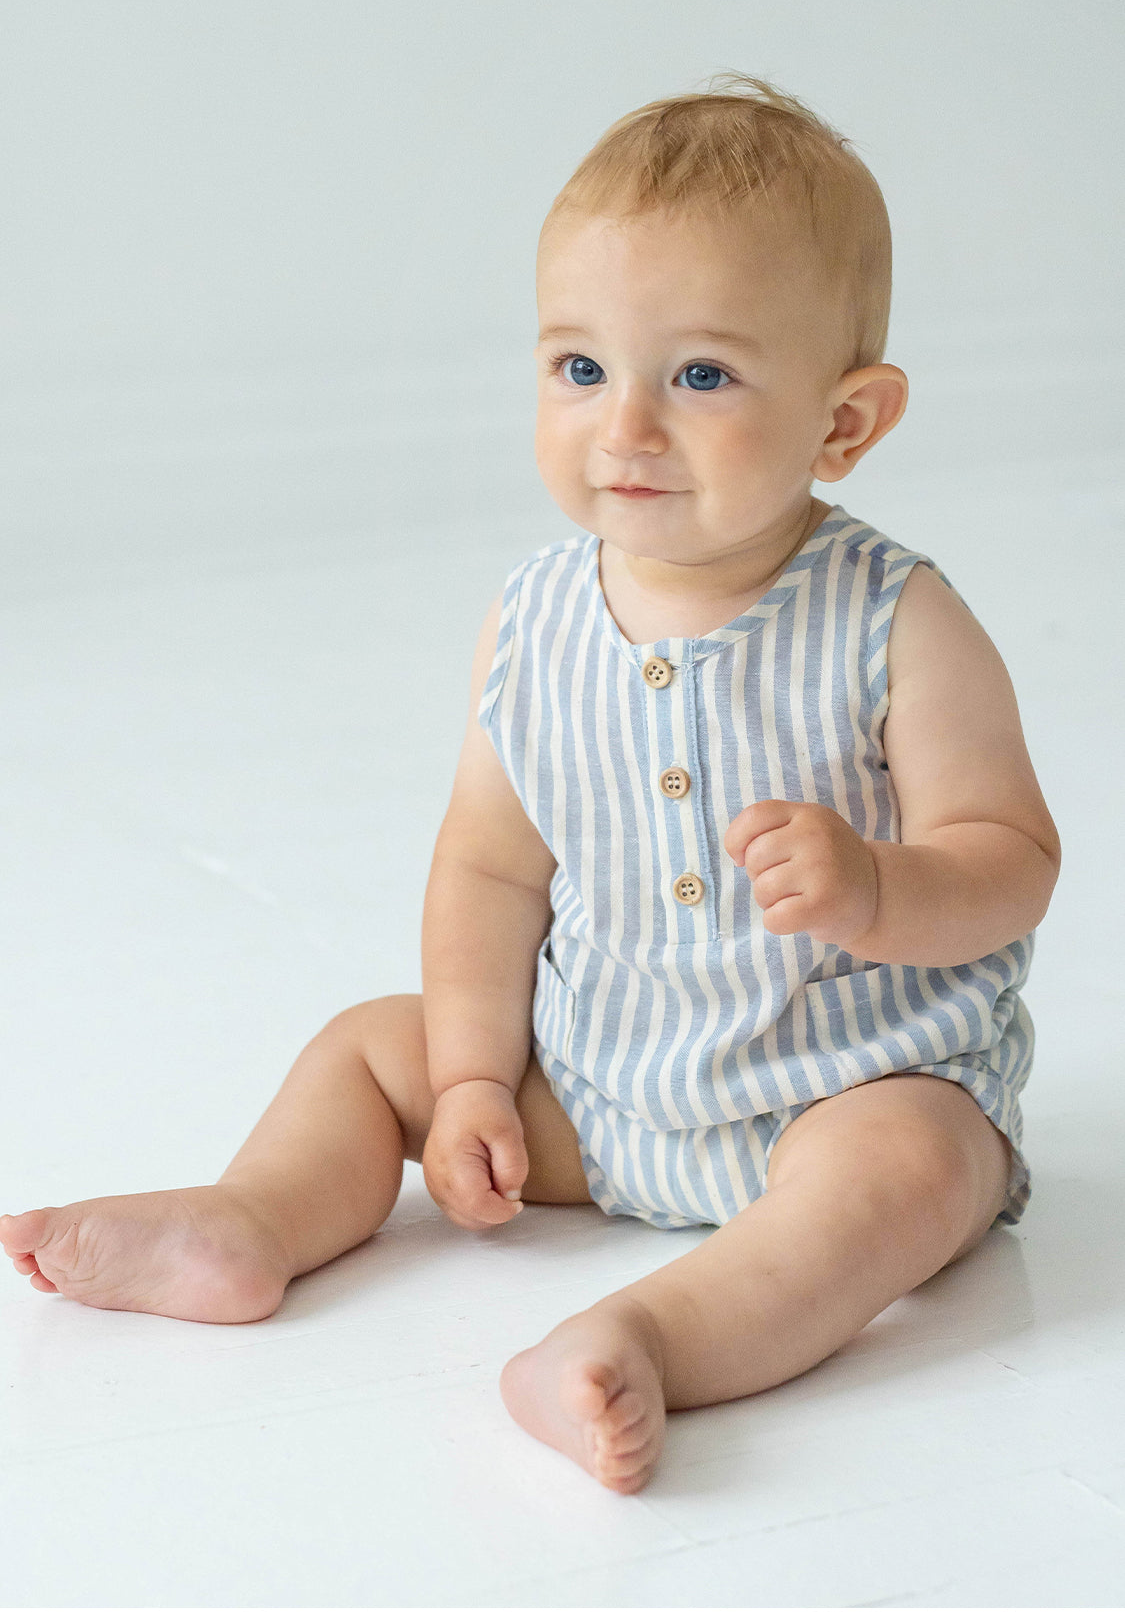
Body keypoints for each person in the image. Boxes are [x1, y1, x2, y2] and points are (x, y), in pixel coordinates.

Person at [0, 74, 1061, 1495]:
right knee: (370, 1045)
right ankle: (249, 1219)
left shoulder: (894, 619)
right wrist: (472, 1080)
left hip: (842, 1086)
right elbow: (492, 867)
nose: (623, 425)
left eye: (698, 376)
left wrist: (879, 888)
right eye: (578, 368)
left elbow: (1007, 854)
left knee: (919, 1174)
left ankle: (640, 1340)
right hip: (606, 1084)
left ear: (844, 421)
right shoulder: (538, 617)